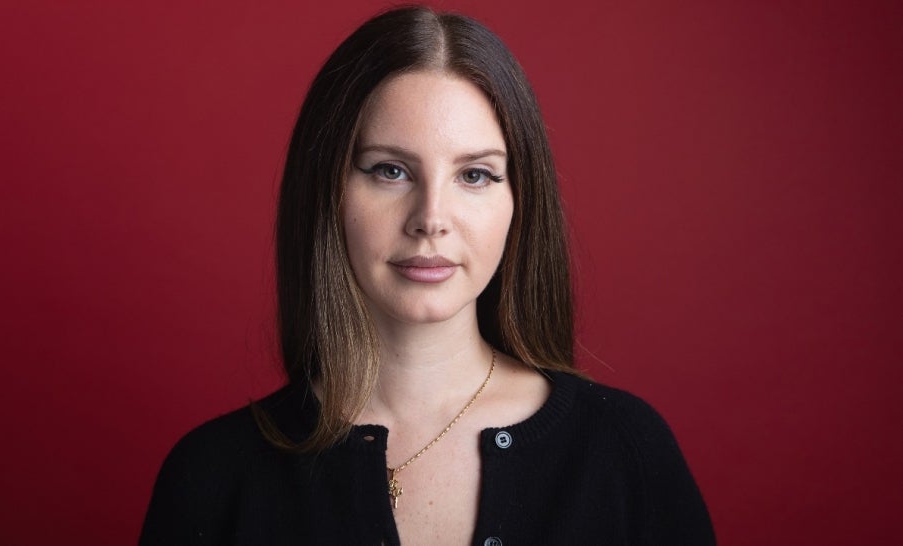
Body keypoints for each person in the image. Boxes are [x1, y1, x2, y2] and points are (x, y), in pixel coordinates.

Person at [139, 6, 715, 545]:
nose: (431, 218)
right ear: (326, 192)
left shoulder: (627, 451)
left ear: (520, 200)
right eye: (390, 170)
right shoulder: (214, 477)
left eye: (475, 175)